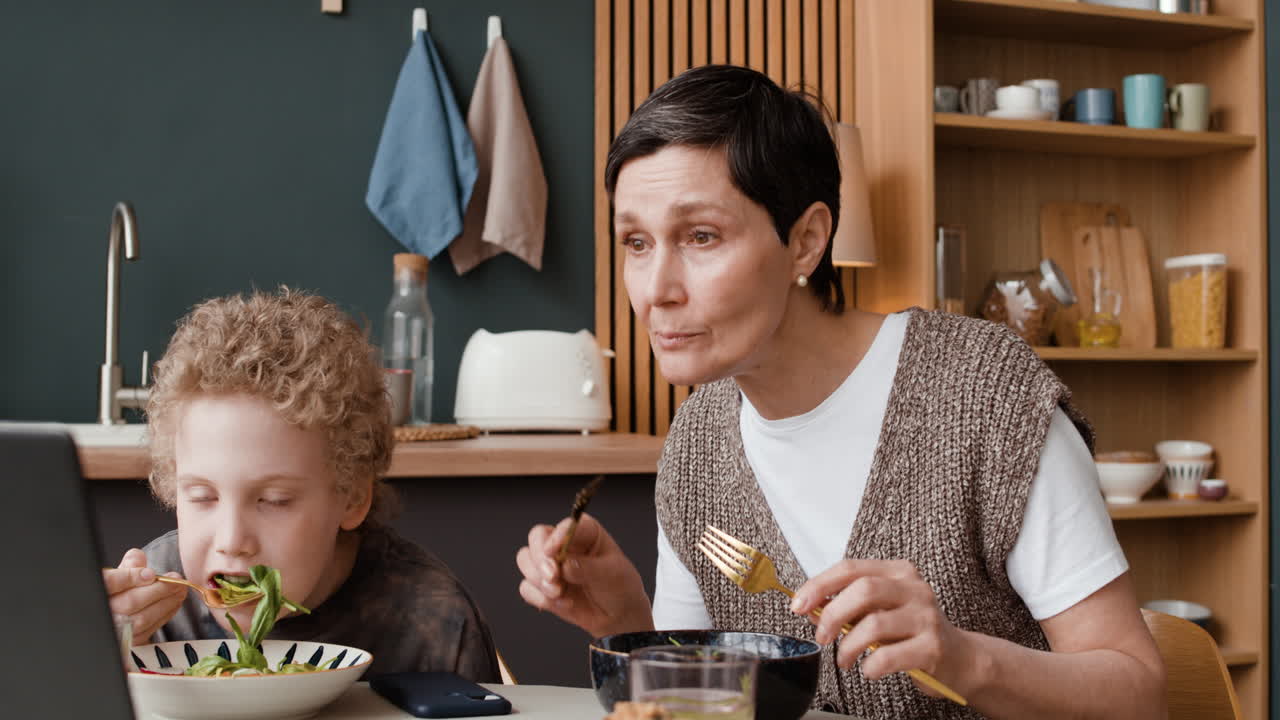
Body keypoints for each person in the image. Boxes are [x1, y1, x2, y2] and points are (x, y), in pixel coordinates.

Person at [516, 65, 1165, 719]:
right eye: (636, 242)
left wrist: (965, 659)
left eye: (701, 236)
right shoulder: (696, 443)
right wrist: (625, 619)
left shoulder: (985, 395)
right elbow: (696, 704)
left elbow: (1141, 697)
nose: (656, 289)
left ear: (806, 241)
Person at [102, 287, 500, 681]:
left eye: (274, 500)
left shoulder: (434, 622)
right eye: (202, 497)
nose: (232, 540)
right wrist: (101, 659)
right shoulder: (151, 612)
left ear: (352, 496)